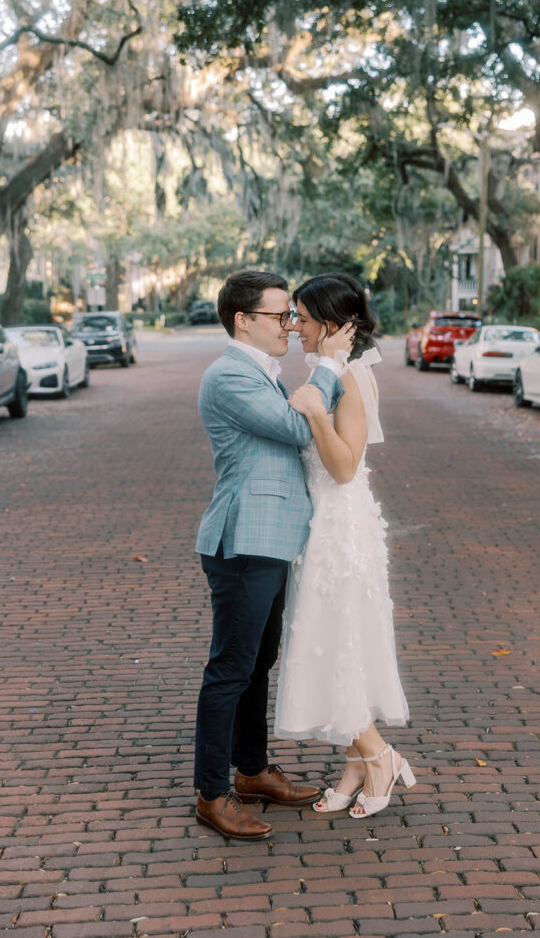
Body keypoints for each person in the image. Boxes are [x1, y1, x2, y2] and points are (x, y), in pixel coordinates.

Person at [193, 269, 348, 842]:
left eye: (290, 316)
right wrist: (328, 366)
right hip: (243, 542)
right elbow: (296, 429)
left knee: (258, 664)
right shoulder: (229, 375)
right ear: (243, 320)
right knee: (230, 669)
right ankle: (212, 794)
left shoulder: (259, 371)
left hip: (273, 539)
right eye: (280, 315)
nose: (289, 325)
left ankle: (252, 771)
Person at [274, 273, 414, 819]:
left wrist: (312, 411)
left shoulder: (351, 376)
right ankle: (358, 761)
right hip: (322, 524)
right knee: (330, 641)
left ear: (331, 324)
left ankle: (379, 756)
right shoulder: (327, 369)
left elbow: (343, 464)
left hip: (342, 528)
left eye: (302, 319)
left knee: (338, 641)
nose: (294, 328)